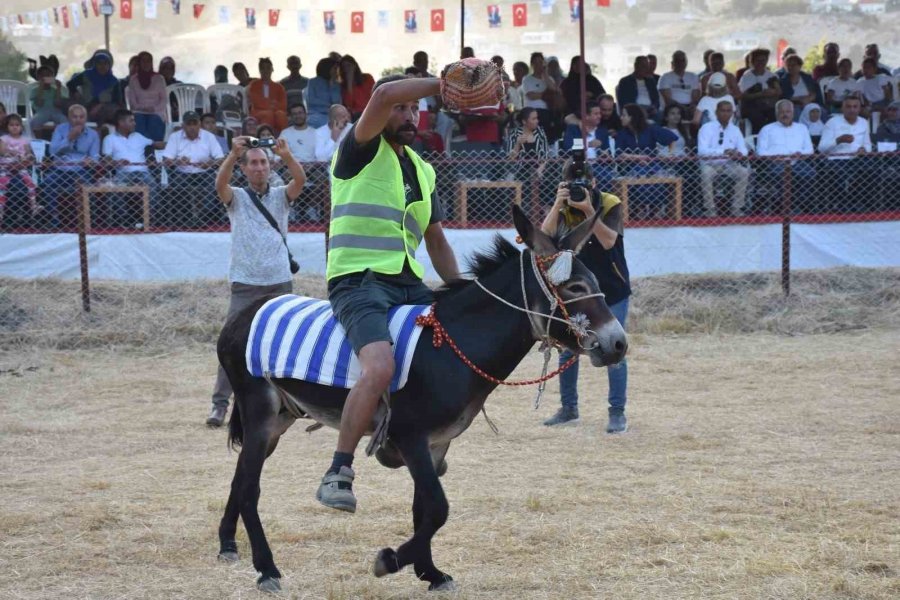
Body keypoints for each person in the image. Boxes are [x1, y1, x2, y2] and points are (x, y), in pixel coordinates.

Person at [317, 73, 462, 512]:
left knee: (454, 352)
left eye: (413, 109)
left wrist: (457, 294)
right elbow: (381, 94)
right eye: (401, 107)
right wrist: (445, 82)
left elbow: (436, 241)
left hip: (406, 282)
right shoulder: (357, 149)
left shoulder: (422, 169)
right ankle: (338, 470)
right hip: (357, 280)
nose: (408, 115)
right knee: (378, 368)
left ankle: (417, 443)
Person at [206, 136, 307, 427]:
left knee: (283, 344)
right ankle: (219, 406)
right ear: (245, 168)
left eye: (263, 162)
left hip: (278, 281)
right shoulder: (236, 197)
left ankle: (288, 404)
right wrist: (231, 155)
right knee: (230, 345)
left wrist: (286, 155)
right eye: (253, 163)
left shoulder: (280, 196)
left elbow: (299, 180)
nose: (259, 167)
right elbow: (219, 186)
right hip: (246, 282)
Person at [540, 159, 631, 433]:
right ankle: (569, 408)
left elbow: (608, 241)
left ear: (593, 183)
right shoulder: (564, 207)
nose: (579, 189)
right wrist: (558, 203)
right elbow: (544, 237)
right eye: (572, 185)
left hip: (612, 288)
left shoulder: (610, 203)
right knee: (569, 348)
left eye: (583, 183)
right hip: (579, 293)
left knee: (614, 349)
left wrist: (589, 210)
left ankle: (617, 412)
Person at [101, 109, 165, 226]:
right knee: (116, 188)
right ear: (121, 123)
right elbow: (106, 159)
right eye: (131, 121)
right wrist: (117, 162)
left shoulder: (138, 136)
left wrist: (173, 141)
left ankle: (150, 218)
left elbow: (156, 144)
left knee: (153, 186)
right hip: (123, 172)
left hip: (142, 172)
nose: (134, 123)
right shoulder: (109, 139)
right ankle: (123, 218)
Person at [161, 111, 225, 226]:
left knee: (214, 186)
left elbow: (220, 158)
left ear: (199, 124)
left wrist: (209, 164)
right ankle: (185, 220)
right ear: (183, 125)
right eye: (188, 124)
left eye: (194, 123)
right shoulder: (175, 137)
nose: (192, 127)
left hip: (205, 172)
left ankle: (204, 219)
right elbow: (166, 159)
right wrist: (177, 162)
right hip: (182, 173)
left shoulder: (208, 136)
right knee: (177, 187)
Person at [615, 104, 679, 219]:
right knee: (638, 177)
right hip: (631, 167)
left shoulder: (650, 129)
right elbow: (619, 154)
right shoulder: (622, 133)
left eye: (624, 115)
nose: (621, 118)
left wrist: (670, 154)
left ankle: (656, 208)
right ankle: (641, 208)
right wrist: (639, 158)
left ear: (632, 117)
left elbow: (672, 138)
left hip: (652, 165)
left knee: (659, 178)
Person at [43, 104, 100, 228]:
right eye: (74, 117)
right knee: (47, 182)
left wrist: (91, 161)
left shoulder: (93, 134)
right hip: (60, 169)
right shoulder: (60, 129)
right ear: (69, 118)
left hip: (80, 170)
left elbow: (95, 157)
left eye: (81, 117)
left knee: (89, 186)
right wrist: (69, 138)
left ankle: (88, 220)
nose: (78, 120)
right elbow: (52, 151)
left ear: (86, 118)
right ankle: (54, 219)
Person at [757, 100, 816, 214]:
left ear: (793, 113)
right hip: (776, 163)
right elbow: (760, 151)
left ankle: (800, 206)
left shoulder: (802, 128)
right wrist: (774, 157)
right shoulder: (767, 129)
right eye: (782, 112)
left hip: (797, 162)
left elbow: (810, 150)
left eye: (788, 111)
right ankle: (781, 209)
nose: (785, 114)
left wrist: (800, 154)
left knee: (810, 174)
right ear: (776, 113)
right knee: (782, 176)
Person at [817, 96, 872, 213]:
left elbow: (868, 144)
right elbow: (821, 148)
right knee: (839, 174)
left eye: (855, 106)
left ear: (859, 109)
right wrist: (838, 140)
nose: (852, 110)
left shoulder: (863, 122)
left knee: (872, 170)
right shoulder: (832, 123)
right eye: (848, 106)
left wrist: (864, 150)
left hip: (858, 159)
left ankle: (861, 204)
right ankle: (842, 206)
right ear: (842, 108)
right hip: (836, 159)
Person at [697, 100, 750, 217]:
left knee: (743, 172)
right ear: (716, 112)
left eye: (728, 111)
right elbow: (702, 151)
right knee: (705, 173)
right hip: (710, 164)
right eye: (722, 111)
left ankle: (736, 208)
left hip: (729, 164)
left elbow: (744, 150)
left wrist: (738, 153)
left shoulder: (735, 130)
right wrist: (724, 151)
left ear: (732, 113)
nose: (725, 114)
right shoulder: (706, 128)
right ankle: (710, 210)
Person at [0, 114, 42, 224]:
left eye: (17, 125)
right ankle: (1, 209)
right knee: (2, 186)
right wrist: (12, 152)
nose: (14, 127)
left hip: (21, 167)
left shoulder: (25, 140)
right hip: (5, 168)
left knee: (30, 184)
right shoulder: (4, 139)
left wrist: (28, 157)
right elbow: (2, 151)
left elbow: (29, 153)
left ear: (21, 127)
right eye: (11, 125)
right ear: (7, 126)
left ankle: (33, 206)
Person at [67, 50, 123, 125]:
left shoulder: (114, 81)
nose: (102, 66)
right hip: (85, 105)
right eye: (99, 63)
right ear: (95, 64)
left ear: (109, 65)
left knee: (111, 112)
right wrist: (76, 92)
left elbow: (117, 101)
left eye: (105, 63)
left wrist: (101, 105)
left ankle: (99, 131)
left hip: (105, 108)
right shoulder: (87, 75)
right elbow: (70, 84)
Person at [126, 51, 168, 142]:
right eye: (143, 61)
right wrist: (144, 108)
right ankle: (145, 147)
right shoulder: (133, 79)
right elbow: (132, 102)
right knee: (138, 119)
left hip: (156, 112)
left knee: (154, 120)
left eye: (149, 61)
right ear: (139, 63)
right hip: (138, 112)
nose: (146, 64)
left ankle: (153, 147)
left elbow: (163, 100)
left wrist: (153, 109)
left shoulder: (159, 79)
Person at [739, 48, 781, 134]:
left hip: (769, 106)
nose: (761, 63)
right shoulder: (747, 77)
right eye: (758, 60)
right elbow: (743, 96)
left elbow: (779, 92)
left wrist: (772, 92)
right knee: (758, 119)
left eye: (763, 60)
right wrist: (760, 94)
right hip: (752, 107)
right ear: (752, 61)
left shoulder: (771, 75)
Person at [247, 58, 289, 133]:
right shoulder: (254, 85)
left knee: (281, 115)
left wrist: (272, 106)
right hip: (257, 112)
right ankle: (266, 140)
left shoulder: (279, 87)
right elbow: (256, 102)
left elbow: (283, 105)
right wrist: (272, 105)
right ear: (259, 70)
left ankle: (285, 140)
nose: (265, 70)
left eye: (268, 68)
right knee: (268, 115)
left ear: (272, 69)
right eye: (263, 68)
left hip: (275, 112)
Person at [779, 54, 823, 119]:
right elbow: (784, 97)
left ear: (799, 66)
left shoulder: (807, 77)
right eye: (788, 65)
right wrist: (800, 100)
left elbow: (815, 92)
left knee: (822, 111)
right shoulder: (783, 80)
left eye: (793, 65)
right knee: (797, 112)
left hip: (809, 102)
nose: (791, 67)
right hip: (793, 105)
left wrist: (809, 99)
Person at [616, 56, 659, 120]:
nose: (646, 69)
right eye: (643, 66)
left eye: (647, 66)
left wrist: (654, 107)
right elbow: (623, 101)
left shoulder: (651, 81)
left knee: (661, 115)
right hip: (635, 110)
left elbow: (656, 98)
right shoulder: (625, 81)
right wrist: (639, 110)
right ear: (636, 66)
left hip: (650, 110)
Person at [658, 50, 701, 115]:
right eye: (677, 60)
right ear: (673, 63)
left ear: (686, 62)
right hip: (672, 108)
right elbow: (668, 100)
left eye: (683, 60)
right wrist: (683, 108)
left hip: (689, 108)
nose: (680, 63)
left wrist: (691, 107)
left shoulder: (693, 76)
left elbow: (695, 97)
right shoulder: (665, 77)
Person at [29, 65, 68, 133]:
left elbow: (58, 104)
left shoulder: (54, 90)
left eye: (48, 75)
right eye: (43, 75)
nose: (46, 77)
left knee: (64, 120)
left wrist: (58, 88)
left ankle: (61, 140)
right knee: (35, 121)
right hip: (41, 112)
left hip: (56, 112)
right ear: (38, 77)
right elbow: (39, 104)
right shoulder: (34, 90)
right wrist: (41, 87)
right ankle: (38, 140)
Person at [306, 58, 342, 129]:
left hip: (331, 115)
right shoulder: (313, 82)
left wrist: (332, 85)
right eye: (334, 68)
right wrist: (330, 105)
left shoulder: (336, 85)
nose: (337, 71)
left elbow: (336, 102)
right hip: (315, 114)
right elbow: (311, 100)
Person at [339, 55, 375, 121]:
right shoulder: (343, 85)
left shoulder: (367, 77)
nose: (347, 69)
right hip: (356, 114)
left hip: (370, 110)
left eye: (349, 65)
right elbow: (349, 104)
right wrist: (349, 81)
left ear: (354, 65)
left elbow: (374, 95)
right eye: (344, 67)